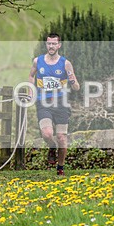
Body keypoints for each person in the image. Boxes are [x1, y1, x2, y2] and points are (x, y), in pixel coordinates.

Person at [29, 33, 80, 176]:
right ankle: (51, 146)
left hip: (61, 104)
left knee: (62, 137)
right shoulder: (37, 61)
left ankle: (60, 168)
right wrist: (30, 90)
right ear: (46, 44)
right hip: (43, 103)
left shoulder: (65, 63)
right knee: (47, 133)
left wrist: (73, 81)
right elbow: (31, 76)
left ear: (59, 45)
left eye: (54, 44)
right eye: (49, 44)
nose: (51, 46)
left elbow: (77, 87)